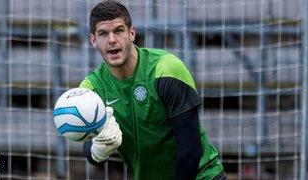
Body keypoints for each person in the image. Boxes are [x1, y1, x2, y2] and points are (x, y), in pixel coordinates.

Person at [80, 0, 226, 179]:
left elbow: (190, 147)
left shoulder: (166, 69)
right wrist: (97, 150)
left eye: (118, 31)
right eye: (103, 33)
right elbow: (86, 144)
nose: (112, 40)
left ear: (132, 33)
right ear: (93, 40)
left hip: (202, 176)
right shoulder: (92, 89)